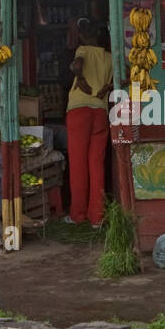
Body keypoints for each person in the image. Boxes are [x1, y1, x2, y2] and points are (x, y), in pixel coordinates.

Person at [64, 18, 113, 228]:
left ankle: (78, 215)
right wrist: (108, 87)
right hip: (100, 111)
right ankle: (97, 217)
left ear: (83, 36)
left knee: (78, 164)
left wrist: (81, 79)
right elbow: (128, 75)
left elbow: (77, 65)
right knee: (96, 164)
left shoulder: (82, 50)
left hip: (79, 110)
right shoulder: (110, 57)